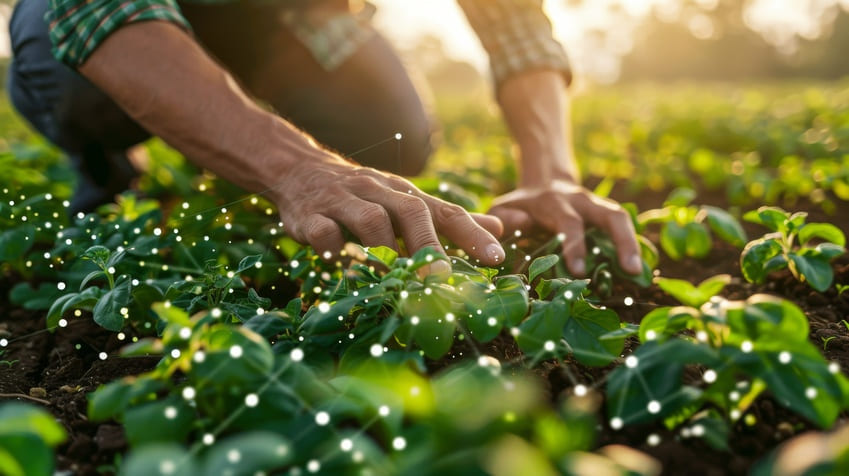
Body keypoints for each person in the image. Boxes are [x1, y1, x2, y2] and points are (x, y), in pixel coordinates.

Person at [7, 0, 641, 276]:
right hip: (119, 15)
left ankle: (223, 136)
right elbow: (94, 12)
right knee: (65, 75)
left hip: (282, 19)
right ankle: (114, 169)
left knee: (389, 135)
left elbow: (515, 25)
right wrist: (298, 170)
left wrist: (551, 169)